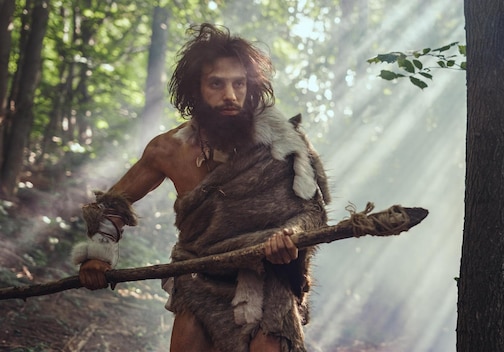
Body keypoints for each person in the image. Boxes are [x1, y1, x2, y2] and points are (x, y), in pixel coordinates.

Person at [70, 23, 331, 352]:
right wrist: (97, 257)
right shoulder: (169, 150)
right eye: (216, 84)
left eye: (239, 84)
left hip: (267, 276)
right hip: (199, 275)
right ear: (196, 90)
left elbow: (313, 210)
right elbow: (114, 205)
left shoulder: (281, 142)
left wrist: (291, 236)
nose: (230, 96)